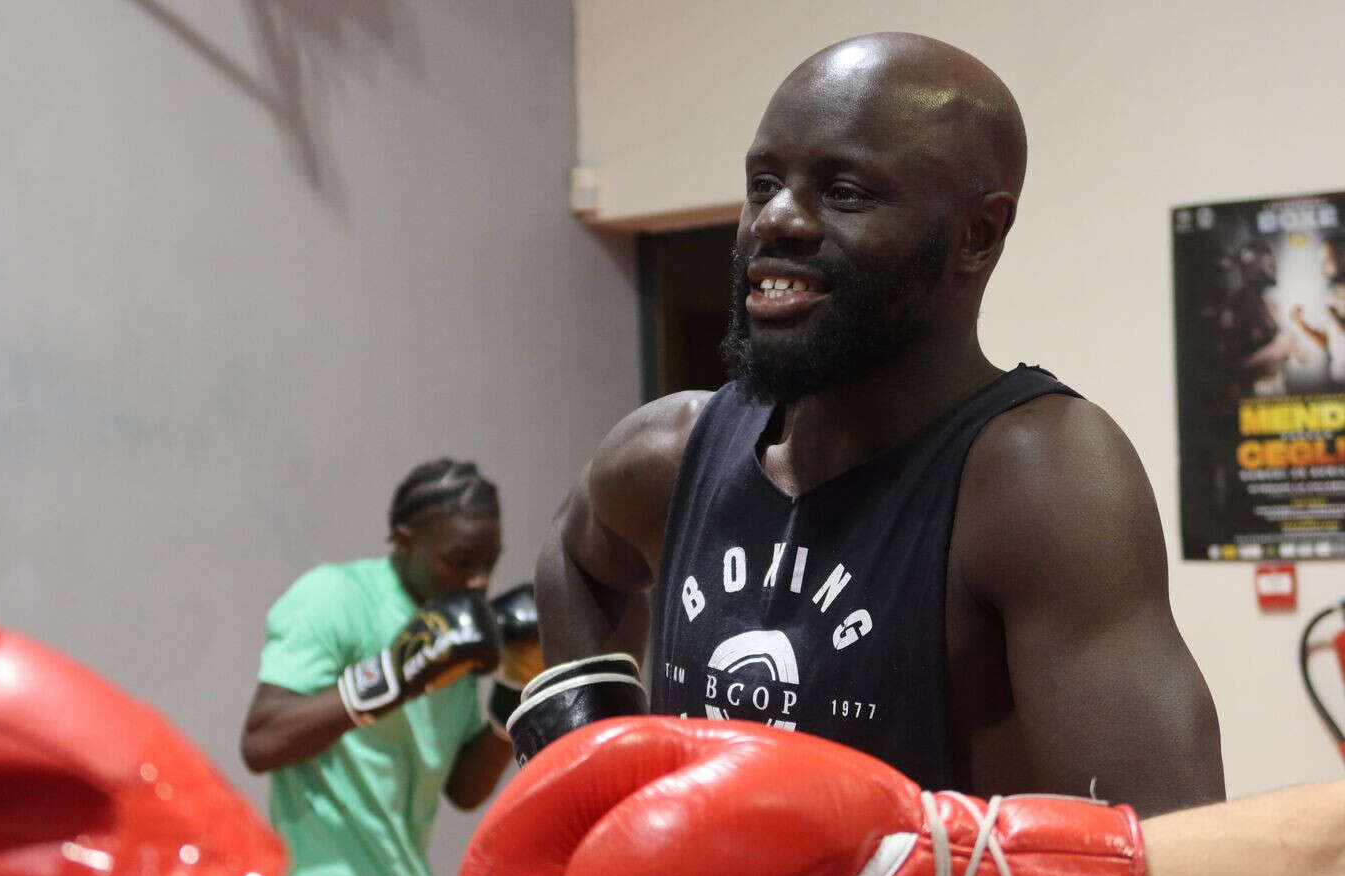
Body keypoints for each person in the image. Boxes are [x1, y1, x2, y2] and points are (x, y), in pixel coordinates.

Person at [512, 32, 1225, 818]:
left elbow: (1171, 851)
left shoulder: (1036, 480)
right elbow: (571, 554)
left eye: (845, 191)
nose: (775, 220)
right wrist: (594, 760)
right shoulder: (670, 453)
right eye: (763, 184)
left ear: (978, 234)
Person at [456, 716, 1345, 876]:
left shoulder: (1045, 467)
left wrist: (937, 870)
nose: (779, 228)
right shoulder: (671, 453)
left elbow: (1171, 791)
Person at [240, 458, 539, 876]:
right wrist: (393, 678)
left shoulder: (454, 625)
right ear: (405, 542)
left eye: (490, 562)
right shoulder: (334, 598)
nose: (479, 581)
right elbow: (261, 741)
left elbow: (462, 788)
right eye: (460, 562)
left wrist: (516, 684)